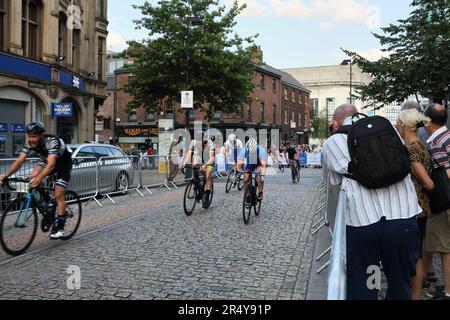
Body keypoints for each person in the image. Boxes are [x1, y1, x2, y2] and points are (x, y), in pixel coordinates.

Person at [323, 104, 421, 300]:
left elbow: (334, 182)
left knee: (367, 281)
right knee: (400, 281)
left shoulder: (333, 142)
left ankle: (372, 289)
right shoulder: (389, 130)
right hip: (402, 220)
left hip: (364, 225)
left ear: (337, 122)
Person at [0, 122, 73, 239]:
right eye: (29, 136)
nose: (31, 139)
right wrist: (6, 175)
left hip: (63, 163)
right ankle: (47, 200)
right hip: (47, 160)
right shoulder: (29, 143)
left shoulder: (52, 141)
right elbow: (19, 161)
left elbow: (51, 164)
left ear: (41, 135)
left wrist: (39, 179)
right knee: (33, 175)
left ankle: (60, 227)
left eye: (34, 136)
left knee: (59, 193)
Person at [396, 109, 435, 300]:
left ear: (403, 125)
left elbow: (427, 183)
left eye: (398, 122)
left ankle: (416, 296)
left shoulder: (411, 149)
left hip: (415, 209)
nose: (396, 124)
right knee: (415, 255)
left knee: (414, 257)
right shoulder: (420, 145)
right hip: (420, 208)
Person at [423, 103, 450, 300]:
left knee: (445, 247)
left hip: (446, 202)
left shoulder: (436, 141)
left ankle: (448, 291)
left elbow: (447, 172)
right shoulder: (446, 136)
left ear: (428, 121)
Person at [180, 135, 215, 208]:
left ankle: (207, 195)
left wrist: (205, 165)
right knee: (194, 164)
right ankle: (198, 185)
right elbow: (189, 154)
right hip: (199, 156)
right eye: (197, 140)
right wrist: (184, 163)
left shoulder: (210, 144)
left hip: (208, 158)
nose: (198, 142)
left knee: (208, 175)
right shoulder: (193, 142)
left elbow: (212, 158)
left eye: (200, 140)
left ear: (204, 140)